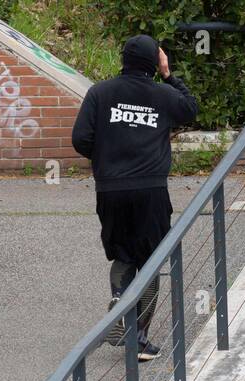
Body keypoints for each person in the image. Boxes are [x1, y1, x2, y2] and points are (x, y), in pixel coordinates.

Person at [72, 35, 198, 358]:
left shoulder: (99, 93)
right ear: (153, 64)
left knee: (124, 257)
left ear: (123, 59)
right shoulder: (162, 94)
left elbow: (80, 139)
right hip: (150, 191)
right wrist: (169, 75)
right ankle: (138, 338)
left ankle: (119, 299)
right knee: (152, 261)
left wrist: (105, 160)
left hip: (110, 191)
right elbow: (190, 110)